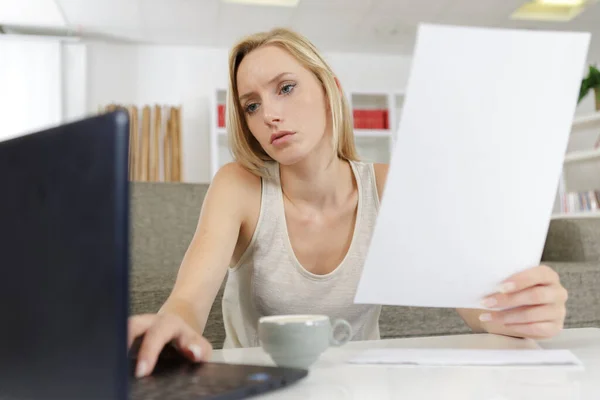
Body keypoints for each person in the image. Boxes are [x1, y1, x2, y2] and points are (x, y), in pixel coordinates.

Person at [128, 27, 569, 378]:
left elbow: (474, 305)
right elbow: (189, 300)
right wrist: (171, 327)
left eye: (285, 88)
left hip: (360, 385)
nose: (269, 115)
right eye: (251, 105)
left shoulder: (389, 186)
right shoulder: (238, 186)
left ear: (330, 89)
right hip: (260, 386)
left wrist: (520, 310)